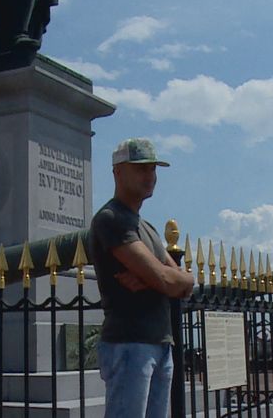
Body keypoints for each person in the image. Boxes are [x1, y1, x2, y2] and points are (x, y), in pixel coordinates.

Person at [89, 138, 194, 418]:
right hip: (129, 344)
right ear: (118, 172)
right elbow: (167, 278)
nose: (149, 176)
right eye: (141, 169)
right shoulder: (111, 219)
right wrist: (162, 280)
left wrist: (153, 279)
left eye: (152, 169)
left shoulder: (145, 227)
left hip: (158, 344)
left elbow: (184, 282)